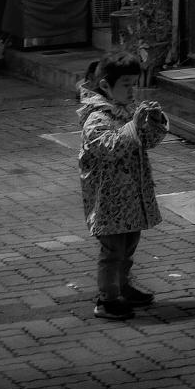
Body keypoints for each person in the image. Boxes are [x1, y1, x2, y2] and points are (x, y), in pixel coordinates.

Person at [76, 50, 169, 321]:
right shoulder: (96, 118)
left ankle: (122, 286)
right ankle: (107, 298)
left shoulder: (127, 110)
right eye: (126, 85)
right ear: (106, 85)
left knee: (128, 244)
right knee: (113, 249)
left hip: (131, 195)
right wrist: (133, 127)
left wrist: (155, 122)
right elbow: (109, 147)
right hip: (109, 198)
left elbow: (146, 141)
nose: (132, 91)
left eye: (133, 84)